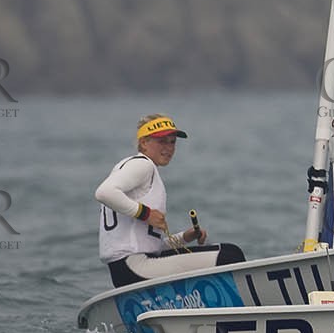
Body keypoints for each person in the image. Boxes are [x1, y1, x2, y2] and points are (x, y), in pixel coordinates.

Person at [94, 113, 244, 287]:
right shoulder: (142, 165)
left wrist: (185, 238)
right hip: (134, 267)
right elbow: (104, 192)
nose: (169, 147)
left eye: (172, 142)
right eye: (161, 141)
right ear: (143, 143)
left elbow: (149, 247)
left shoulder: (129, 168)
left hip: (127, 271)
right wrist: (145, 213)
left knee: (225, 254)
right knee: (229, 255)